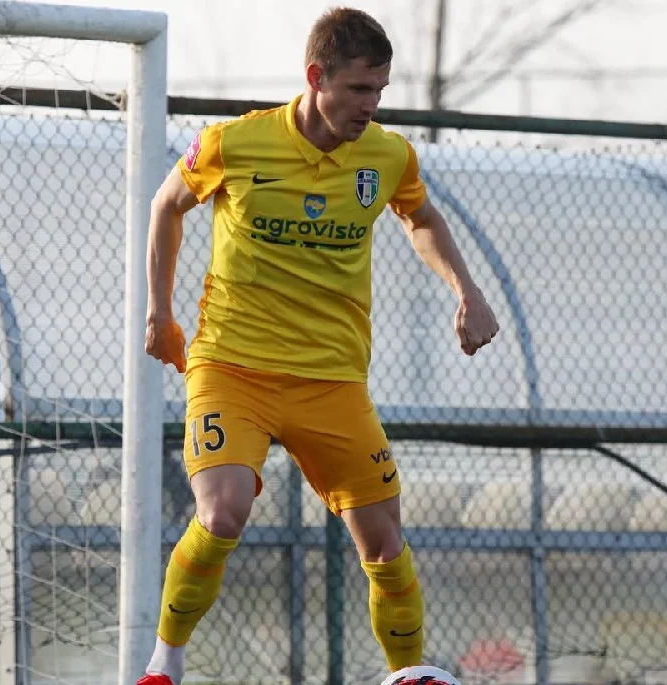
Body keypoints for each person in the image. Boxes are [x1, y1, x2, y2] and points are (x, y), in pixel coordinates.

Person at [137, 7, 500, 685]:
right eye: (359, 89)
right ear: (316, 77)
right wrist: (159, 313)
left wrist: (467, 291)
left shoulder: (387, 156)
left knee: (385, 544)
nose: (371, 106)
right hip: (233, 367)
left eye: (380, 91)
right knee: (222, 512)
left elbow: (421, 217)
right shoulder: (234, 142)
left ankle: (408, 676)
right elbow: (167, 204)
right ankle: (165, 661)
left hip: (332, 380)